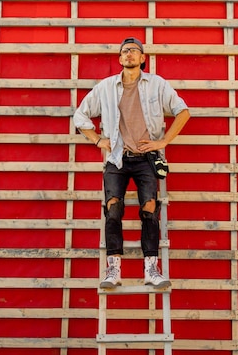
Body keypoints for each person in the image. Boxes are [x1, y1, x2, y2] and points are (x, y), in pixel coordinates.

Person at [73, 37, 190, 289]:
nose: (129, 54)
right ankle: (113, 268)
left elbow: (183, 111)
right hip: (117, 159)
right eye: (125, 51)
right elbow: (80, 115)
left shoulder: (157, 84)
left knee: (150, 209)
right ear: (119, 58)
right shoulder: (105, 87)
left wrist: (163, 142)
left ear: (143, 58)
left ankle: (151, 268)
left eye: (134, 51)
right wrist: (96, 139)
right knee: (113, 209)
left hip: (147, 159)